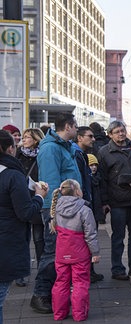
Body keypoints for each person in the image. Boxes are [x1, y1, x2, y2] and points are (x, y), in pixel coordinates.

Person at [31, 112, 82, 314]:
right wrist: (56, 213)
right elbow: (52, 184)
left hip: (64, 209)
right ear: (68, 126)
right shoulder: (52, 149)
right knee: (52, 252)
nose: (77, 129)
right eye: (76, 126)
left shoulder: (62, 146)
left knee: (59, 253)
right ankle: (40, 294)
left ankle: (52, 294)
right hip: (58, 210)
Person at [0, 129, 47, 323]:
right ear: (10, 149)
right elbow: (26, 212)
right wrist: (39, 197)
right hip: (6, 243)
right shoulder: (12, 175)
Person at [98, 120, 131, 281]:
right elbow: (102, 179)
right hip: (117, 201)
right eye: (117, 131)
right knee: (118, 237)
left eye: (123, 130)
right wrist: (105, 201)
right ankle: (117, 269)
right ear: (110, 135)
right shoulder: (104, 152)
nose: (121, 134)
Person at [49, 179, 100, 321]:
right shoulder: (84, 210)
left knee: (60, 282)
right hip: (80, 254)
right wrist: (95, 253)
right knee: (80, 283)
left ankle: (59, 313)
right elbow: (90, 234)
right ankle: (79, 314)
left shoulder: (56, 208)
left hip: (61, 252)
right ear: (78, 192)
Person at [14, 128, 45, 288]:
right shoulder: (17, 155)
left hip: (37, 199)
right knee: (22, 239)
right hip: (20, 199)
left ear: (36, 139)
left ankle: (42, 271)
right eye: (24, 137)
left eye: (27, 137)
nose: (24, 140)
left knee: (39, 238)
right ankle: (21, 273)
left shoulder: (43, 155)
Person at [72, 126, 104, 283]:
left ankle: (88, 272)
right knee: (85, 239)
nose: (93, 139)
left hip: (87, 204)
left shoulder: (82, 155)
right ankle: (84, 273)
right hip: (82, 205)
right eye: (90, 136)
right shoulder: (77, 155)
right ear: (79, 137)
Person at [87, 154, 105, 226]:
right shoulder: (87, 180)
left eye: (95, 165)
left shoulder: (99, 177)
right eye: (91, 165)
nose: (94, 167)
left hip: (97, 209)